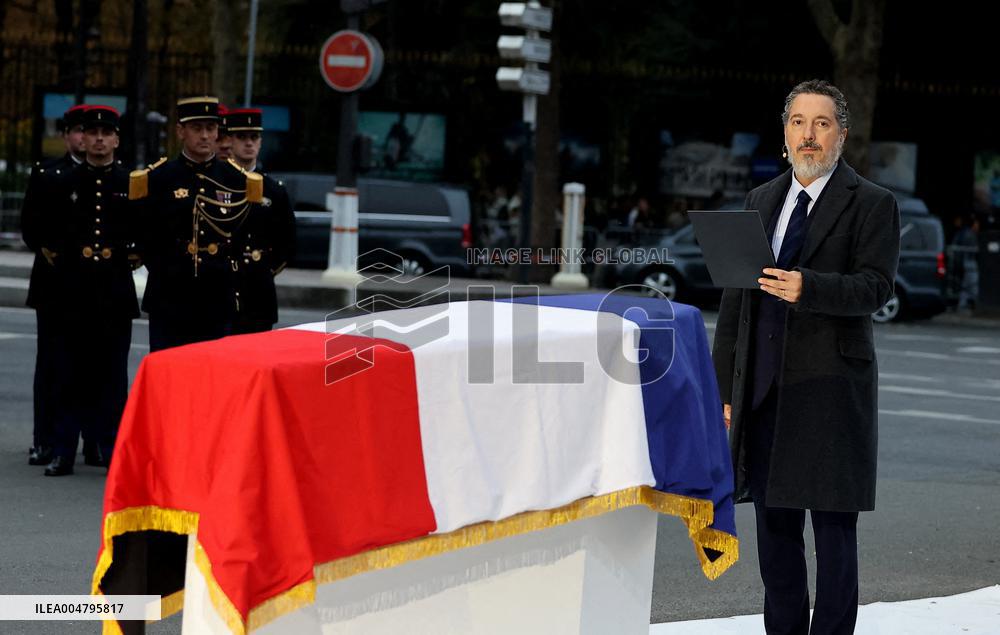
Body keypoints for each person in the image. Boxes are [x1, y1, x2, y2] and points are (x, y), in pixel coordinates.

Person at [712, 79, 900, 635]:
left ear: (841, 133)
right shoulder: (760, 201)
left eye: (821, 123)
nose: (809, 135)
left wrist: (808, 287)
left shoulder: (872, 203)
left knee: (834, 537)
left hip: (830, 392)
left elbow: (875, 287)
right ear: (785, 131)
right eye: (798, 122)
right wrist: (726, 391)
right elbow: (733, 305)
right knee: (775, 536)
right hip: (767, 392)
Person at [28, 106, 139, 475]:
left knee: (111, 377)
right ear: (83, 138)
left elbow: (144, 231)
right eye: (92, 133)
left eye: (106, 134)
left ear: (117, 140)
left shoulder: (131, 183)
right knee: (67, 373)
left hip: (114, 292)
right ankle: (62, 449)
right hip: (72, 291)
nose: (99, 140)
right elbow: (48, 230)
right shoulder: (64, 181)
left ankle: (109, 447)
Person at [131, 96, 262, 351]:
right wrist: (166, 269)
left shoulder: (236, 180)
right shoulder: (158, 178)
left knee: (211, 380)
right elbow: (144, 233)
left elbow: (246, 235)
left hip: (216, 296)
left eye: (210, 128)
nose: (204, 136)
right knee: (168, 377)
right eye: (197, 128)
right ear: (181, 131)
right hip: (170, 296)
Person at [21, 104, 98, 467]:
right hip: (55, 283)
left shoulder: (108, 173)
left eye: (91, 130)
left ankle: (91, 438)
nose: (85, 137)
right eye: (79, 130)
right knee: (52, 364)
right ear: (66, 135)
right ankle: (45, 438)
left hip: (96, 284)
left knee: (94, 365)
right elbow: (31, 226)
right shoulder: (48, 173)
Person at [226, 107, 296, 333]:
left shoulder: (274, 191)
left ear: (261, 142)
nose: (248, 143)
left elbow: (287, 241)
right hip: (221, 286)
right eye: (242, 137)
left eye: (254, 137)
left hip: (258, 290)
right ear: (230, 141)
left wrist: (263, 268)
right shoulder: (216, 183)